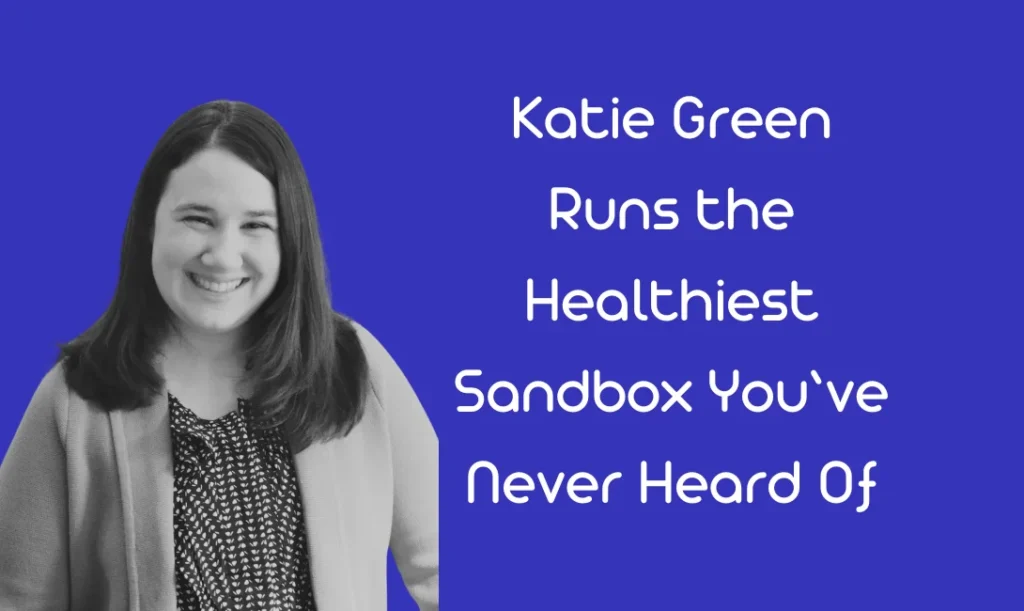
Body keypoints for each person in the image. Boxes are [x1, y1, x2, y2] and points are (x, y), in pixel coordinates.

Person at [0, 100, 439, 611]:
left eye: (256, 225)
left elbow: (444, 561)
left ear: (289, 241)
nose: (223, 254)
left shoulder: (351, 366)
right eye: (197, 219)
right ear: (149, 226)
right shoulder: (76, 398)